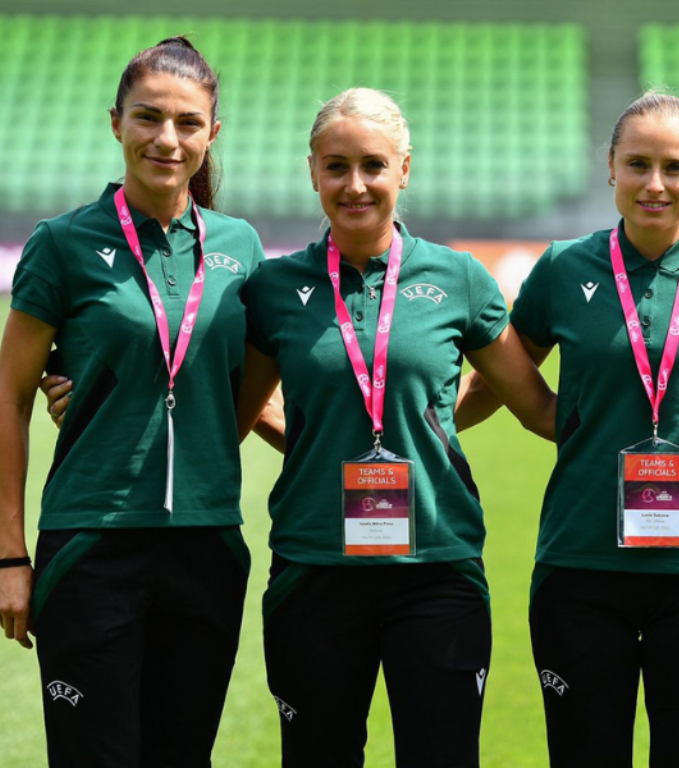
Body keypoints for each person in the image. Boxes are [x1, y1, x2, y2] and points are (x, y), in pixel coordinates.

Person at [459, 91, 679, 766]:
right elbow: (502, 379)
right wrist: (420, 429)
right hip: (581, 565)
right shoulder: (564, 268)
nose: (655, 183)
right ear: (610, 165)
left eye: (675, 167)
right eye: (638, 164)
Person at [234, 87, 556, 767]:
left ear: (403, 169)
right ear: (312, 171)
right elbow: (237, 409)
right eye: (336, 166)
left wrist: (428, 426)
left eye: (374, 165)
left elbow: (533, 405)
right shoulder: (273, 288)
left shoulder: (459, 278)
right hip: (314, 569)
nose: (355, 185)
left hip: (436, 572)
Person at [0, 38, 265, 766]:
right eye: (148, 117)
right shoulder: (62, 244)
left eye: (188, 122)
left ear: (213, 133)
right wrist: (9, 555)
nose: (167, 139)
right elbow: (10, 397)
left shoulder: (242, 247)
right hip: (92, 543)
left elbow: (246, 388)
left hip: (208, 546)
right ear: (116, 122)